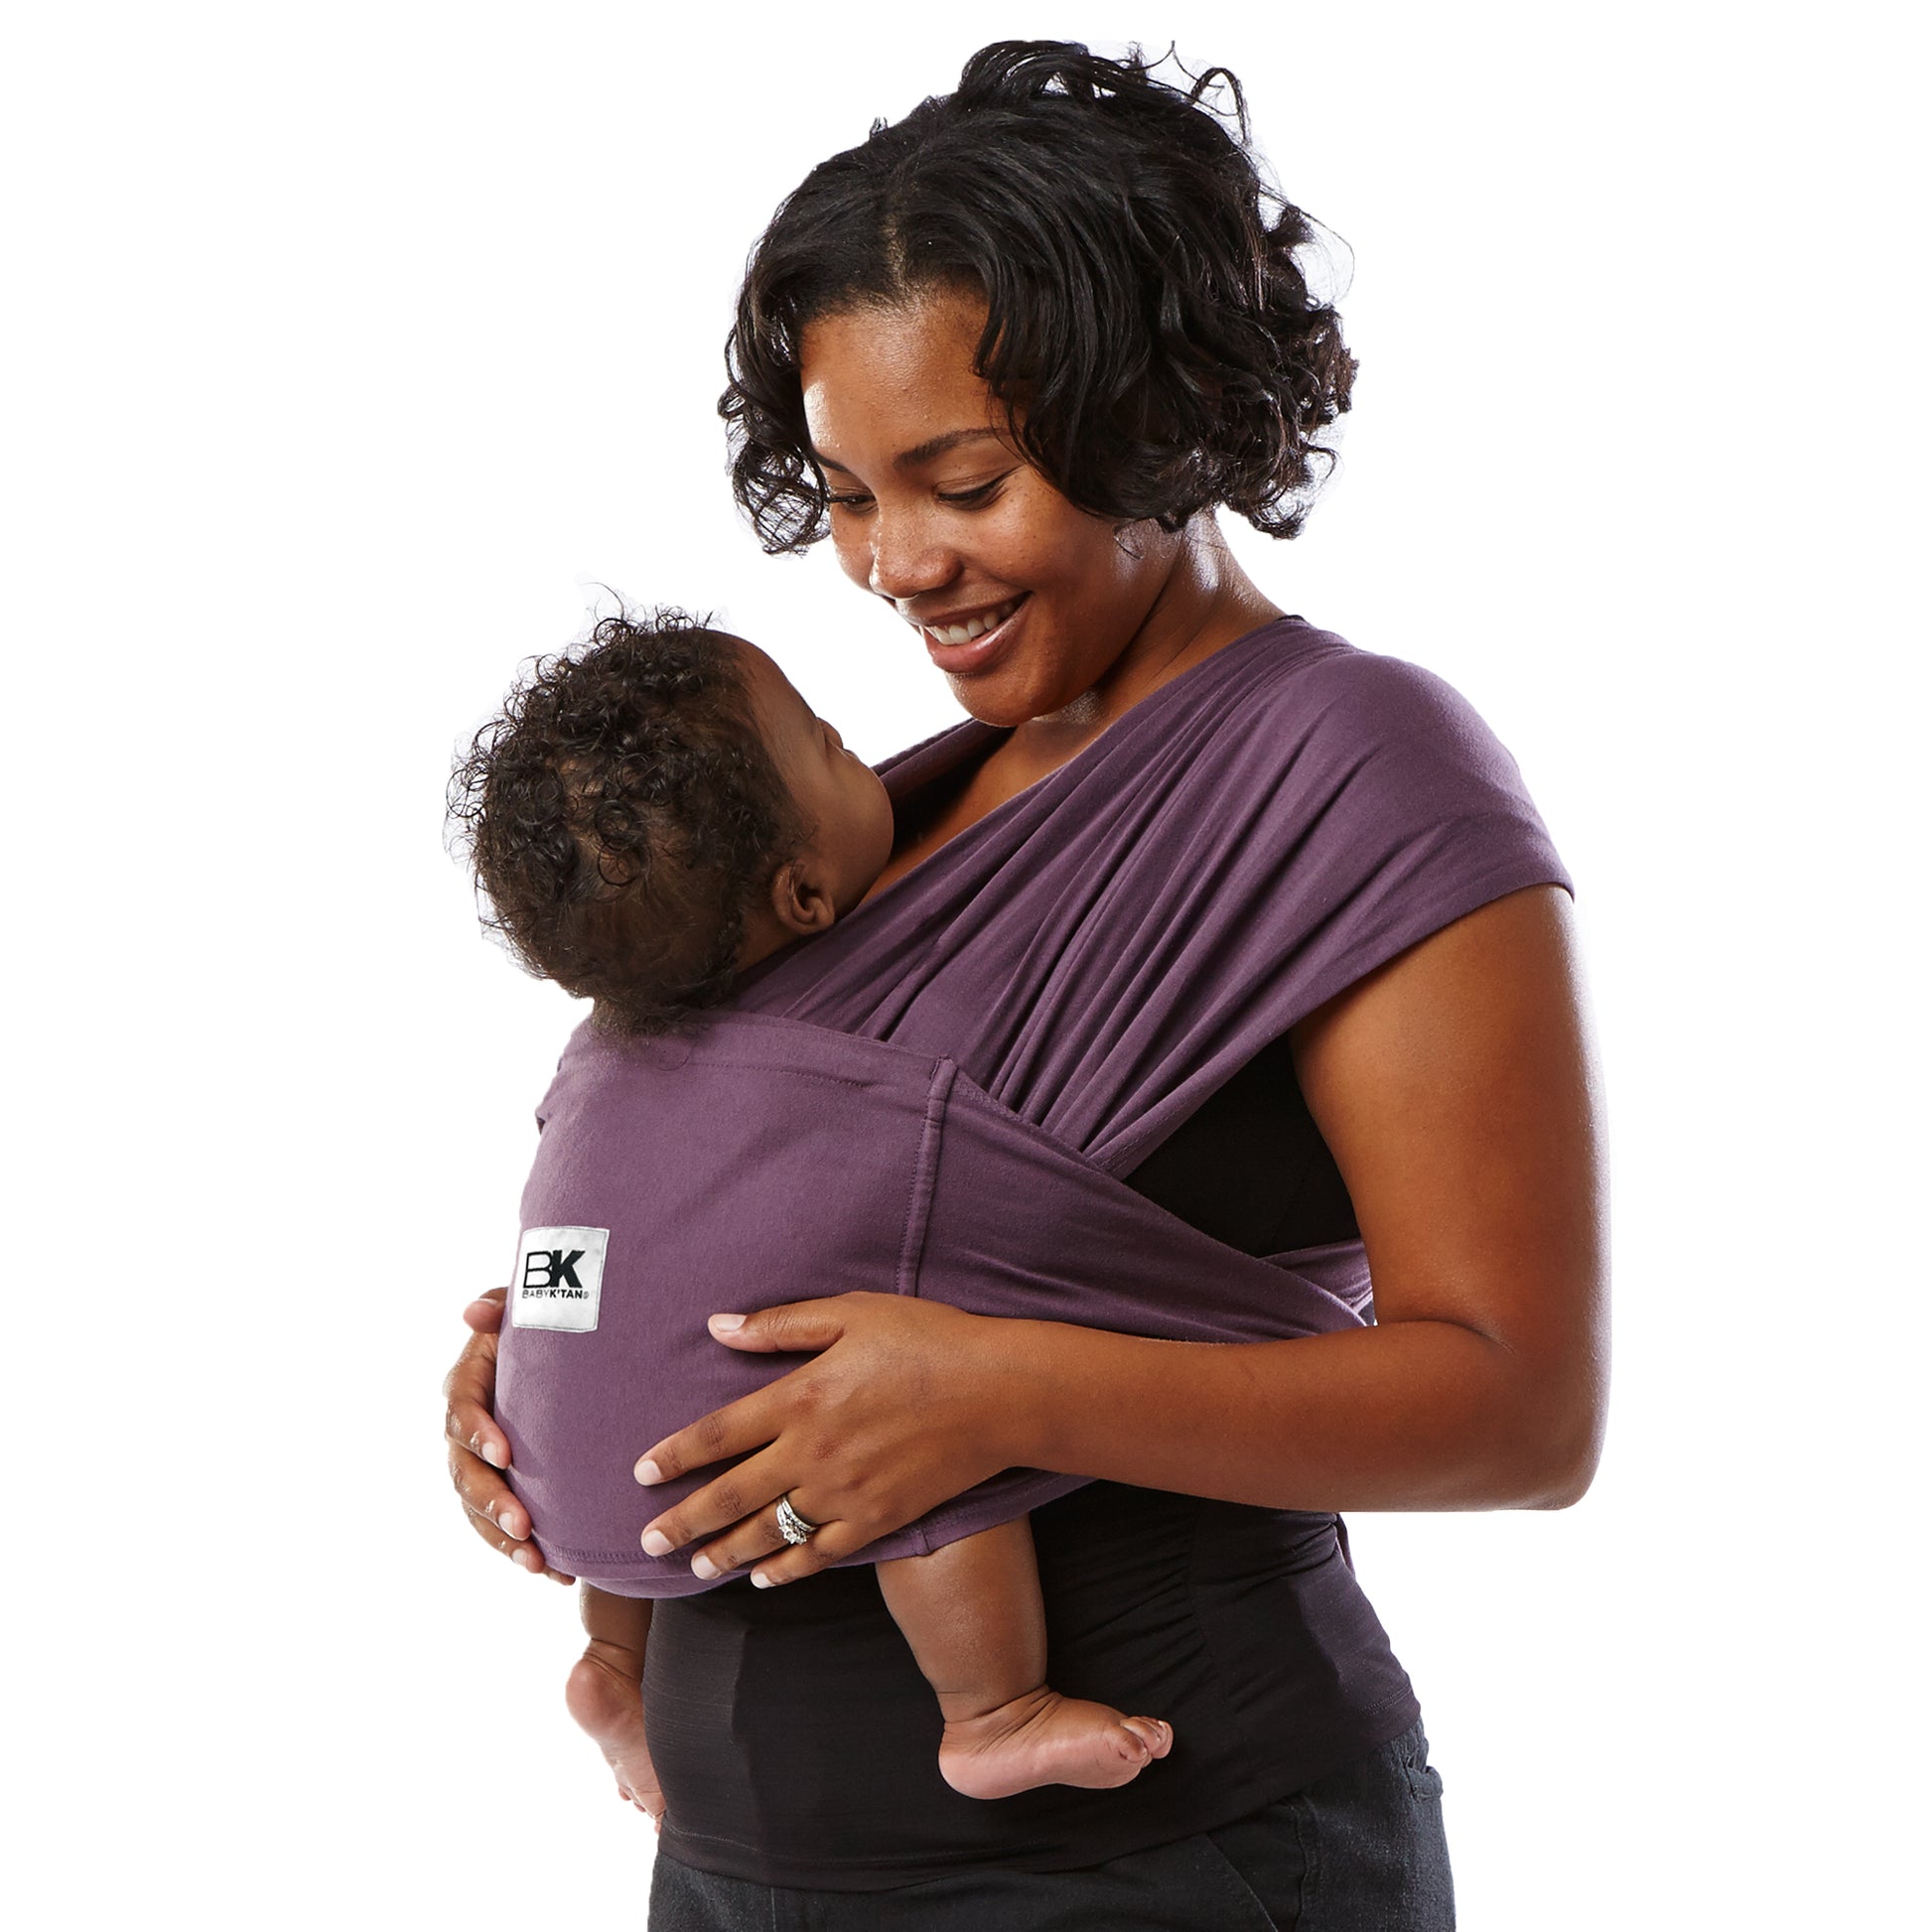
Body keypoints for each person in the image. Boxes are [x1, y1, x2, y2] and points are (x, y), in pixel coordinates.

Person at [443, 41, 1606, 1930]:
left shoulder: (1348, 765)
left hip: (1152, 1860)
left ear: (1152, 413)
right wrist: (570, 1368)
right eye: (841, 494)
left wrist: (997, 1394)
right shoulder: (887, 810)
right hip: (738, 1870)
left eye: (960, 479)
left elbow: (1521, 1409)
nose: (897, 565)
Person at [451, 610, 1178, 1806]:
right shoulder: (841, 1090)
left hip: (559, 1458)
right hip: (723, 1476)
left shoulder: (597, 1061)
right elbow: (953, 1257)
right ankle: (993, 1709)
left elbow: (561, 1273)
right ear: (801, 896)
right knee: (917, 1422)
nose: (862, 753)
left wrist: (527, 1353)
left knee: (650, 1379)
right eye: (835, 746)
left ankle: (609, 1662)